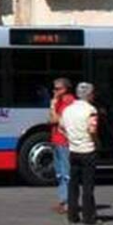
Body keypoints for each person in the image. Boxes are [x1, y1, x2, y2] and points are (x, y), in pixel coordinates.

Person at [61, 82, 100, 225]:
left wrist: (72, 138)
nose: (94, 95)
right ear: (89, 95)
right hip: (87, 150)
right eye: (93, 93)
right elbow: (92, 130)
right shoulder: (91, 110)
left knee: (73, 185)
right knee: (88, 186)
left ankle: (72, 216)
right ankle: (88, 217)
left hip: (73, 151)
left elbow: (61, 127)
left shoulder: (67, 110)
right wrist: (97, 142)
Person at [48, 78, 75, 214]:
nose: (54, 91)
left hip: (64, 141)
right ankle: (63, 201)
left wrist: (52, 106)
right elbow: (51, 119)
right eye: (54, 88)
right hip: (56, 140)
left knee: (66, 173)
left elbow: (56, 120)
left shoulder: (68, 101)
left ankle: (68, 203)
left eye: (57, 89)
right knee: (59, 173)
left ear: (65, 89)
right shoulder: (59, 101)